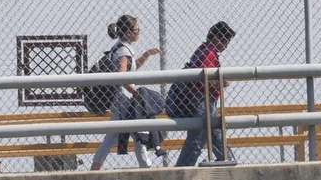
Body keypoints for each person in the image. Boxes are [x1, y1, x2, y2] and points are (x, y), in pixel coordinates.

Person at [89, 14, 164, 170]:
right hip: (124, 99)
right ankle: (146, 167)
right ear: (129, 33)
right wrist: (135, 93)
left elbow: (131, 67)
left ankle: (95, 168)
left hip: (120, 99)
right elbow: (122, 75)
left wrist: (147, 54)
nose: (139, 32)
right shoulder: (123, 50)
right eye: (137, 30)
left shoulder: (121, 48)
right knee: (138, 133)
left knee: (117, 136)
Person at [171, 21, 235, 167]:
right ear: (217, 39)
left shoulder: (204, 50)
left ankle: (228, 160)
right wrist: (221, 83)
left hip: (201, 99)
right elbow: (205, 79)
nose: (226, 46)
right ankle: (183, 168)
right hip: (202, 100)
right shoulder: (208, 53)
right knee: (198, 138)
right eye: (225, 41)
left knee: (213, 133)